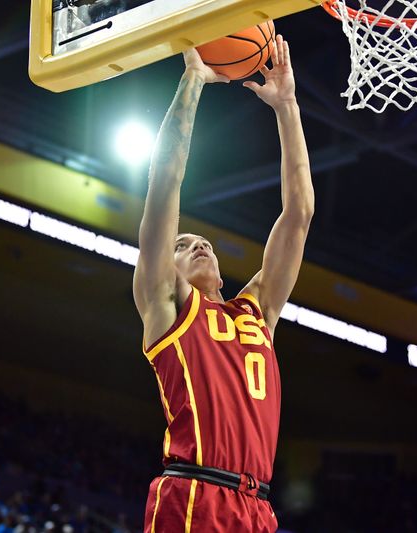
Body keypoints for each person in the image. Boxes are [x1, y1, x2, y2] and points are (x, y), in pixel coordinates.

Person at [133, 34, 314, 532]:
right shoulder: (168, 307)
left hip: (258, 508)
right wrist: (193, 81)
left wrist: (287, 106)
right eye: (182, 242)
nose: (199, 244)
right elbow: (164, 182)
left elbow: (298, 215)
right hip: (194, 493)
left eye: (204, 240)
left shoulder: (255, 311)